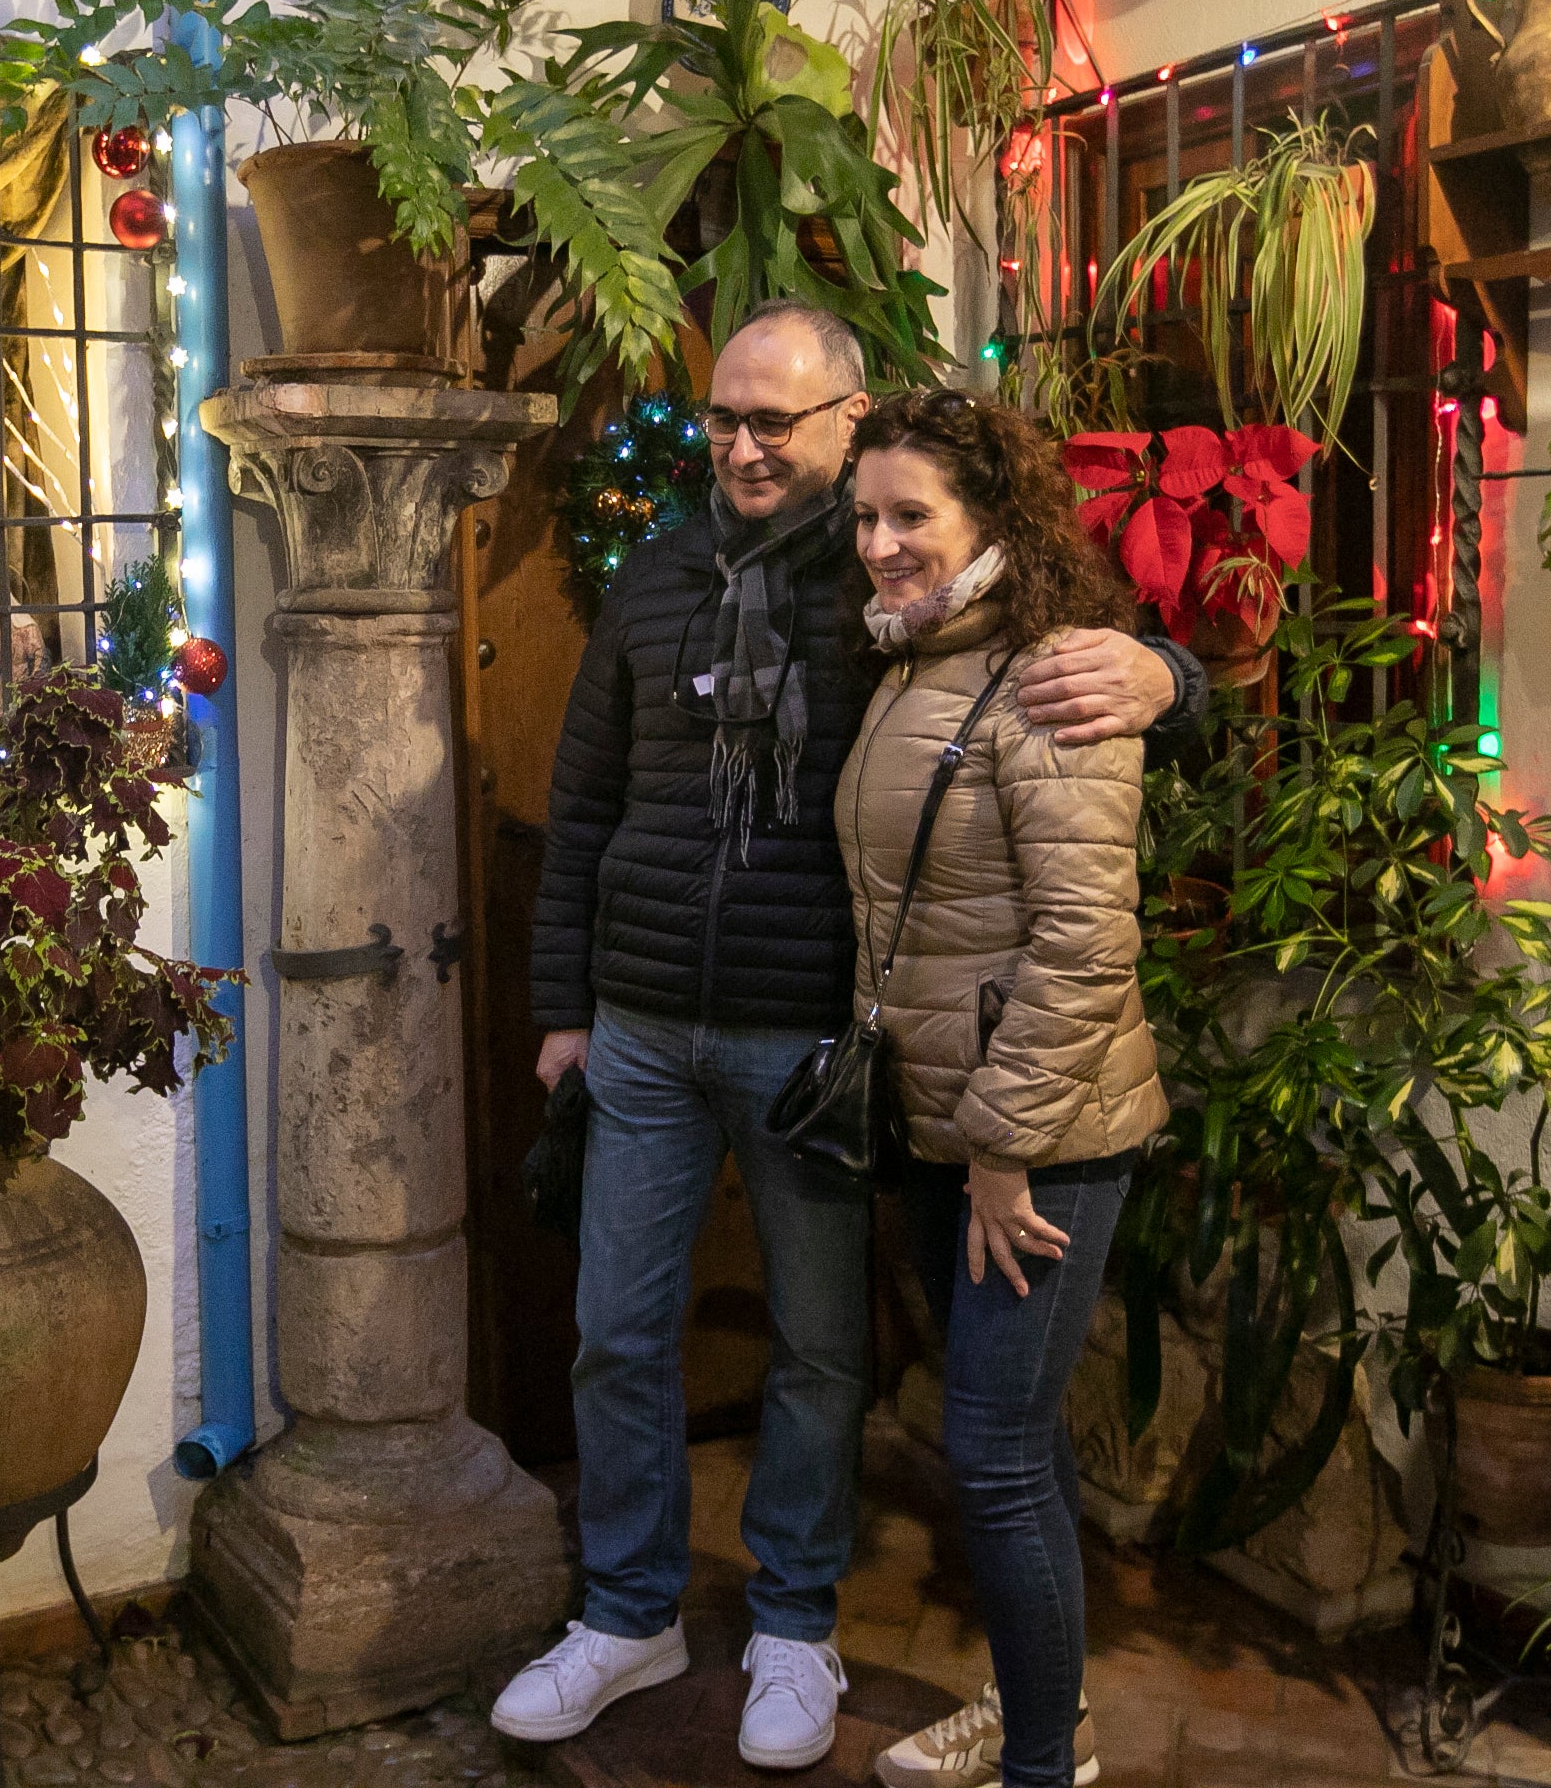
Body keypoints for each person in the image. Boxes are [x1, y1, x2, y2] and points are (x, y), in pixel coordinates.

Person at [495, 303, 1202, 1770]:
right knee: (616, 1336)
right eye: (725, 420)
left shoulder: (893, 584)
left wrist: (1168, 674)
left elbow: (1064, 672)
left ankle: (796, 1627)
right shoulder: (652, 581)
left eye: (778, 421)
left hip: (810, 1043)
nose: (746, 446)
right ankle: (628, 1612)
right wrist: (564, 1007)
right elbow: (586, 810)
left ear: (846, 416)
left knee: (820, 1350)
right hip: (638, 1029)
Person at [844, 392, 1169, 1788]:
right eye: (866, 517)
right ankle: (1045, 1715)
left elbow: (1087, 941)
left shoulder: (1053, 681)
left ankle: (1046, 1761)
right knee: (995, 1452)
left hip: (1035, 1139)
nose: (881, 545)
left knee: (991, 1450)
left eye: (912, 515)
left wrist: (1000, 1146)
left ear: (994, 523)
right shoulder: (908, 666)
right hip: (943, 1119)